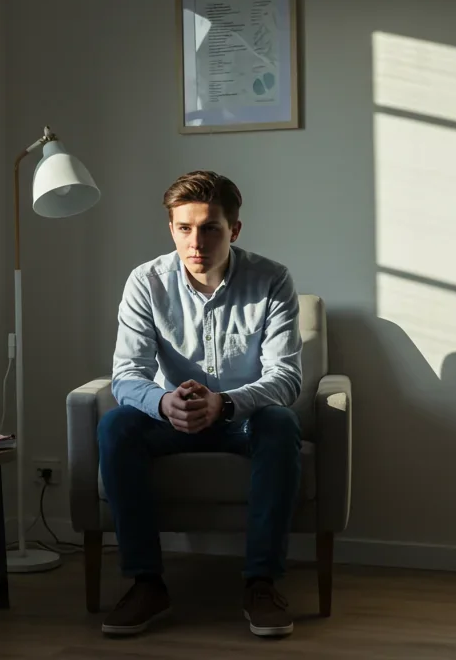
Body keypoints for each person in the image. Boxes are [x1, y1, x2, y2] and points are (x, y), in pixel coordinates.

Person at [99, 170, 303, 638]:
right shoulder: (145, 282)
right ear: (171, 228)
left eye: (210, 227)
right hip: (174, 417)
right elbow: (126, 375)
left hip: (241, 418)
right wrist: (165, 401)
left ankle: (261, 583)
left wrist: (226, 403)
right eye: (184, 228)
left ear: (234, 229)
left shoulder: (271, 279)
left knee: (281, 422)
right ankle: (147, 583)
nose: (196, 242)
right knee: (115, 427)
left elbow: (286, 377)